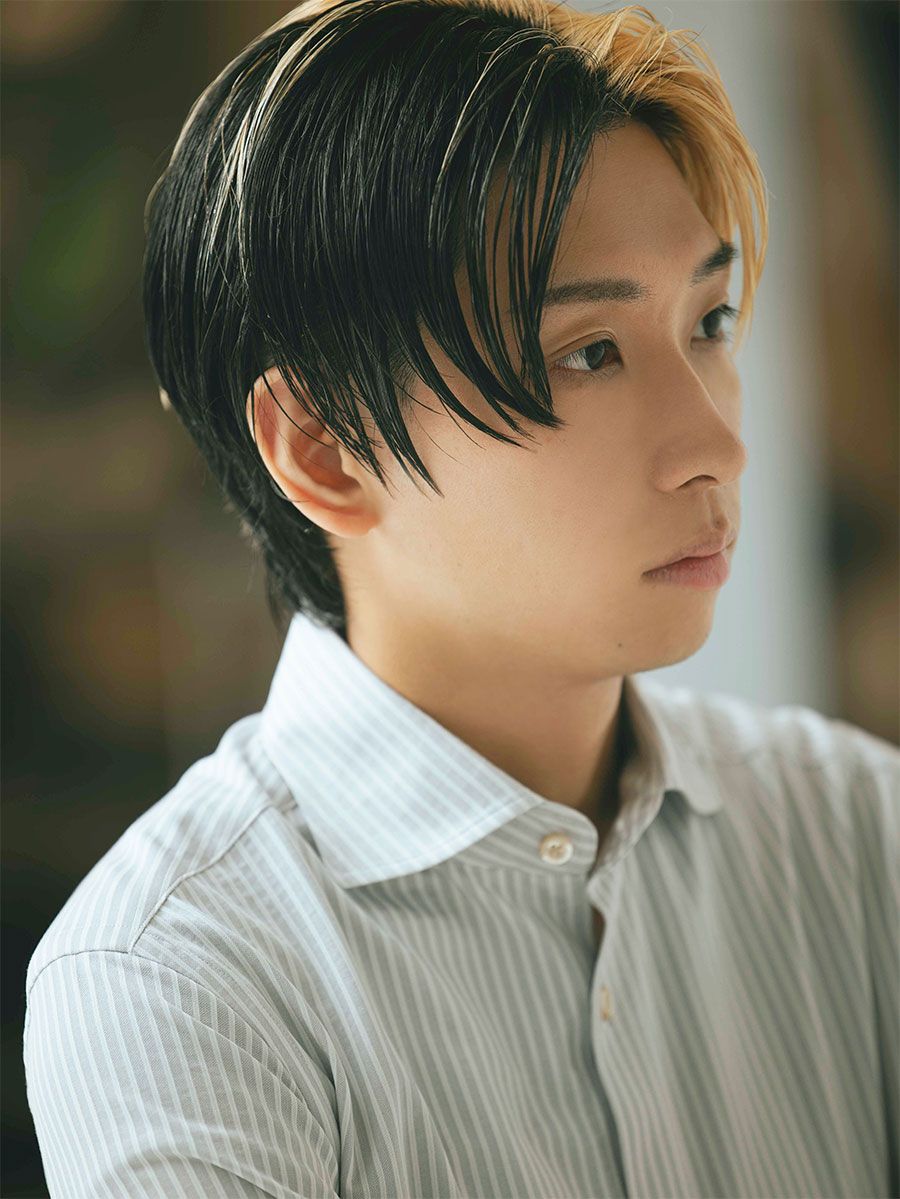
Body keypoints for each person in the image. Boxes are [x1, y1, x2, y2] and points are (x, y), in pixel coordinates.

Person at [23, 1, 898, 1196]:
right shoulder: (182, 974)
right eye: (588, 352)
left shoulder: (855, 834)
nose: (716, 444)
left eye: (710, 322)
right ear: (323, 450)